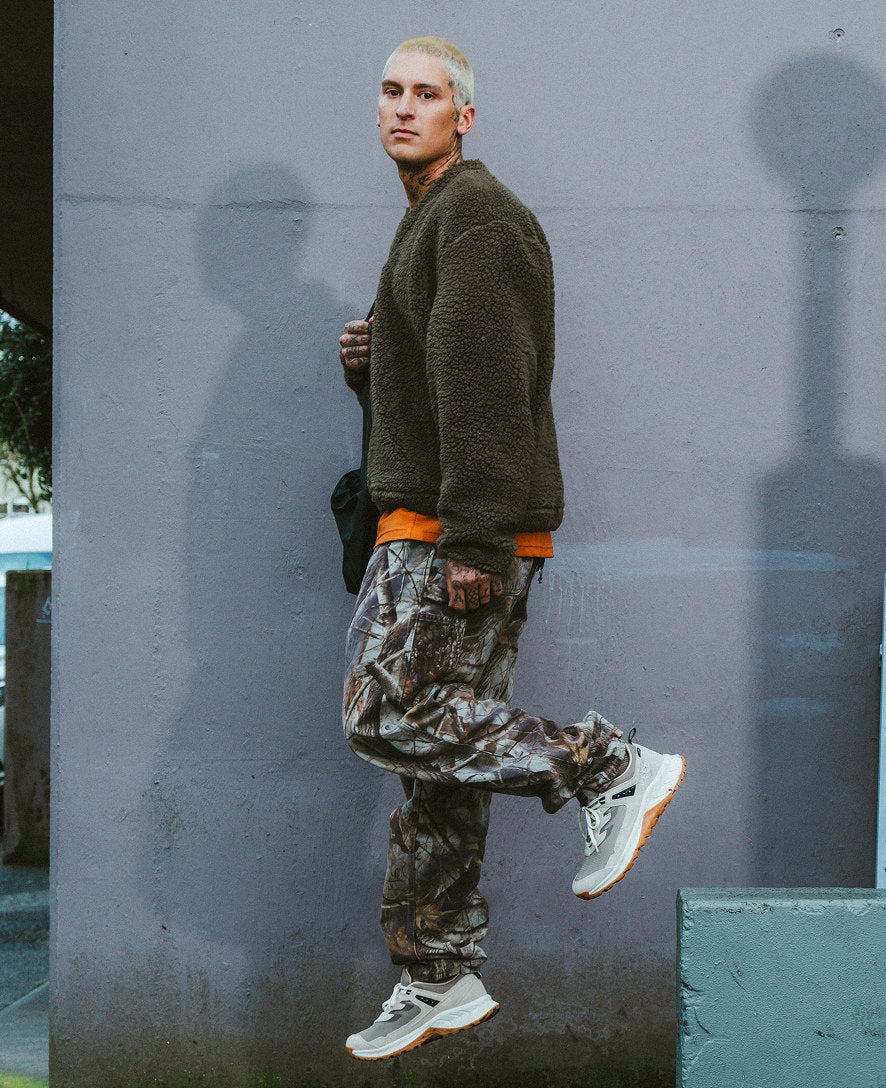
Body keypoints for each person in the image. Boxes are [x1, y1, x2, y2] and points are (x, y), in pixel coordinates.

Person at [338, 36, 685, 1062]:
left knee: (387, 711)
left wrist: (478, 534)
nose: (405, 107)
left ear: (465, 115)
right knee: (443, 766)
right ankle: (438, 972)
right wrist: (371, 370)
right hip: (442, 521)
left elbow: (488, 378)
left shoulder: (476, 215)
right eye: (392, 91)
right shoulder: (432, 219)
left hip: (451, 531)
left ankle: (607, 766)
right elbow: (439, 381)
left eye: (427, 93)